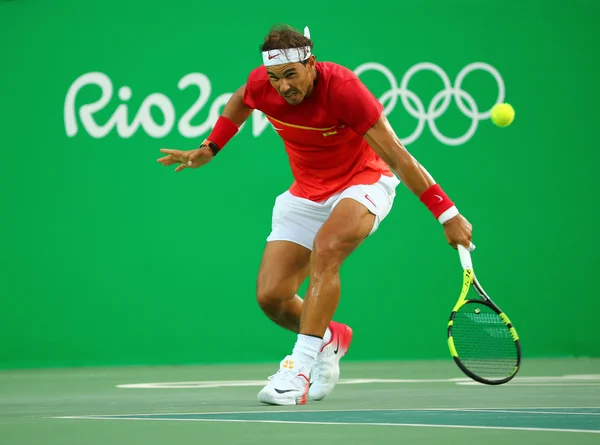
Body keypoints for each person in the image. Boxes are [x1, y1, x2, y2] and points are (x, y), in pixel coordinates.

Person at [157, 24, 473, 406]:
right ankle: (327, 339)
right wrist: (209, 148)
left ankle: (299, 370)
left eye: (291, 75)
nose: (283, 86)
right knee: (272, 296)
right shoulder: (263, 84)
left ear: (311, 63)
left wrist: (446, 212)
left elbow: (396, 154)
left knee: (327, 249)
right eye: (275, 78)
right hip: (307, 191)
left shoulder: (343, 89)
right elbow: (241, 99)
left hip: (364, 181)